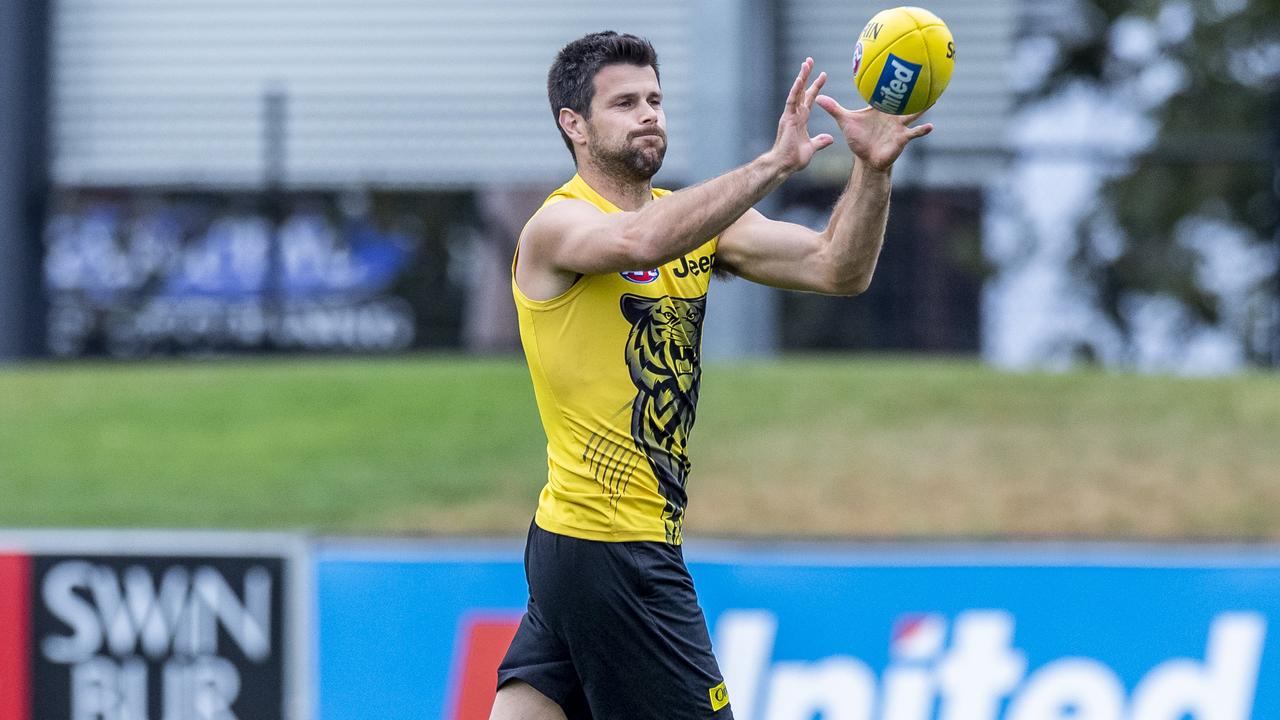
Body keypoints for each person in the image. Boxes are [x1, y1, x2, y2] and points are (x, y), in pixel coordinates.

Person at [492, 30, 932, 720]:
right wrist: (774, 164)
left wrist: (871, 170)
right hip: (616, 548)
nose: (649, 114)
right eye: (625, 103)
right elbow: (641, 240)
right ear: (573, 126)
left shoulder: (698, 224)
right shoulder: (557, 226)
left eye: (656, 99)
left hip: (576, 545)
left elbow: (836, 267)